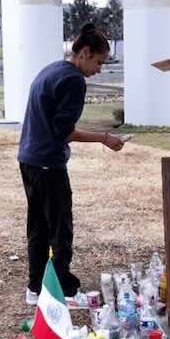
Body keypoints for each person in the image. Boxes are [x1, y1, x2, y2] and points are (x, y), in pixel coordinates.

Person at [18, 23, 124, 305]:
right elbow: (63, 131)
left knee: (38, 226)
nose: (99, 69)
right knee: (60, 228)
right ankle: (63, 289)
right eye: (99, 62)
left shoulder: (52, 69)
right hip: (48, 163)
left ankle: (35, 288)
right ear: (85, 53)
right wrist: (104, 138)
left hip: (29, 159)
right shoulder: (73, 80)